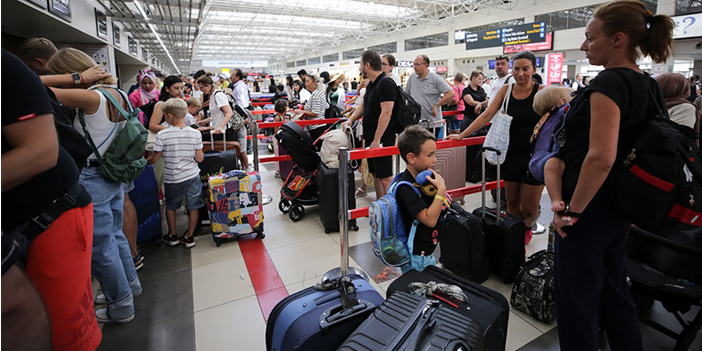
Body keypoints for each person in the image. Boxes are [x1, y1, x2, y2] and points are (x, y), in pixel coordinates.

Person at [550, 2, 675, 349]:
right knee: (614, 290)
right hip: (620, 207)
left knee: (576, 302)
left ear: (617, 39)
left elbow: (601, 157)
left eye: (591, 38)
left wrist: (571, 211)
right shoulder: (647, 83)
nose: (584, 46)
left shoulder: (609, 82)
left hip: (589, 209)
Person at [3, 49, 102, 348]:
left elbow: (41, 150)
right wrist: (77, 77)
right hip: (59, 204)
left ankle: (123, 298)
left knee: (58, 329)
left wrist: (76, 79)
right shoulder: (113, 95)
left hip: (48, 214)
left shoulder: (92, 97)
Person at [47, 47, 142, 325]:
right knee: (115, 235)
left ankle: (121, 304)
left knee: (101, 247)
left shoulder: (89, 97)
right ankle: (129, 286)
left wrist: (72, 78)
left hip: (92, 175)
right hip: (113, 173)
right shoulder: (119, 94)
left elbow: (33, 87)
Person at [448, 51, 545, 244]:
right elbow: (486, 115)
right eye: (517, 68)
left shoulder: (542, 91)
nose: (521, 73)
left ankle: (527, 226)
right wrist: (461, 134)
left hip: (534, 157)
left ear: (534, 69)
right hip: (509, 154)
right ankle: (515, 239)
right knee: (512, 203)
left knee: (531, 209)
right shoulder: (506, 91)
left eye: (526, 69)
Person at [147, 99, 204, 248]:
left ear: (169, 116)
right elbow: (199, 158)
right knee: (193, 206)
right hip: (192, 175)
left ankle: (173, 236)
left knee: (171, 206)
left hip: (173, 178)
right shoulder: (195, 133)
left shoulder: (163, 135)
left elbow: (155, 159)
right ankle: (189, 237)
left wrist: (145, 161)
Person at [395, 125, 449, 273]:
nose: (435, 160)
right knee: (418, 290)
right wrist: (441, 191)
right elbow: (429, 220)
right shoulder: (405, 188)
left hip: (426, 249)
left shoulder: (423, 180)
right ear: (411, 158)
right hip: (416, 255)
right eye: (429, 155)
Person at [344, 50, 396, 198]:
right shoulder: (373, 84)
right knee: (376, 175)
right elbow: (363, 106)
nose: (360, 68)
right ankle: (381, 209)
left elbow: (387, 112)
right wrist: (351, 119)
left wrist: (377, 139)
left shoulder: (386, 83)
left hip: (382, 139)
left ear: (367, 65)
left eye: (361, 64)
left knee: (385, 177)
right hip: (372, 138)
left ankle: (392, 212)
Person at [530, 86, 575, 214]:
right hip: (545, 161)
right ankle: (555, 199)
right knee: (553, 165)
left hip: (537, 161)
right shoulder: (563, 111)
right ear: (563, 102)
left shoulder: (546, 119)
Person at [198, 75, 249, 169]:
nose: (200, 90)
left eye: (201, 87)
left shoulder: (218, 95)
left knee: (231, 156)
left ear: (208, 86)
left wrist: (220, 127)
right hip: (220, 130)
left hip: (225, 131)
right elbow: (218, 114)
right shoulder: (213, 96)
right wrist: (205, 120)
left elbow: (229, 113)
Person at [405, 55, 455, 139]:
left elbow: (451, 93)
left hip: (432, 122)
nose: (415, 67)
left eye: (418, 64)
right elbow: (406, 95)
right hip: (416, 122)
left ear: (426, 65)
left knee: (428, 148)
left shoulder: (435, 78)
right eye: (414, 64)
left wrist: (437, 105)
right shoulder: (412, 77)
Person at [293, 73, 329, 142]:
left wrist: (301, 112)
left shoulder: (316, 95)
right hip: (318, 126)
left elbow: (315, 113)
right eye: (305, 81)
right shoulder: (318, 93)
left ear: (314, 83)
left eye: (307, 81)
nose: (305, 83)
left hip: (316, 127)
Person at [229, 69, 253, 167]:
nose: (231, 77)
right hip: (240, 116)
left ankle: (246, 166)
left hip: (240, 117)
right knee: (240, 146)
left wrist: (242, 118)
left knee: (242, 146)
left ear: (237, 77)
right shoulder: (239, 86)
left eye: (232, 75)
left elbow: (241, 104)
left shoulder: (239, 88)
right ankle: (244, 165)